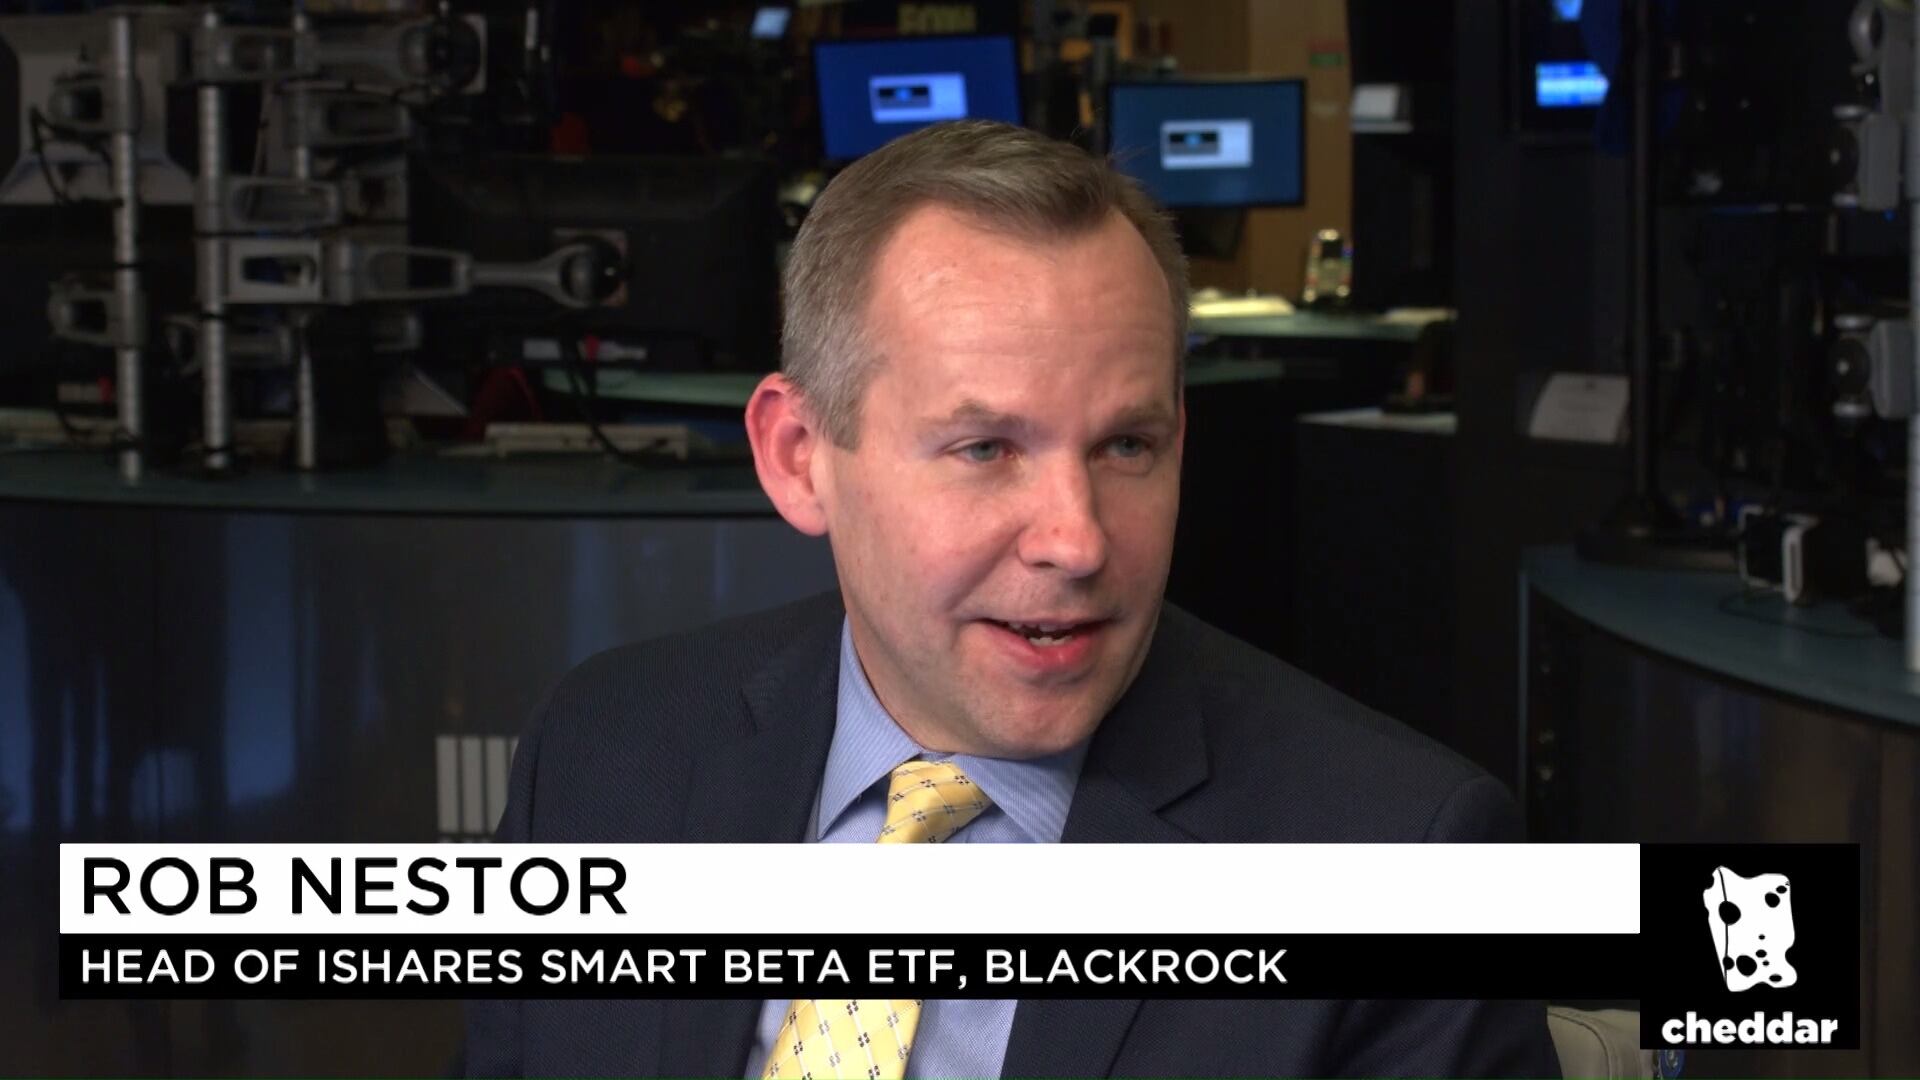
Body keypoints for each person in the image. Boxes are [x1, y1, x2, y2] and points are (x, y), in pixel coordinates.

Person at [465, 120, 1561, 1079]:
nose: (1077, 540)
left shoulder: (1403, 866)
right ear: (799, 456)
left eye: (1128, 446)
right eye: (985, 448)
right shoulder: (602, 754)